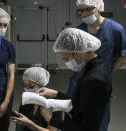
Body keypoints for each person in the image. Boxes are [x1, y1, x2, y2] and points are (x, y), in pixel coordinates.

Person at [12, 28, 112, 131]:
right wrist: (57, 94)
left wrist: (51, 119)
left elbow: (86, 128)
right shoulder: (94, 68)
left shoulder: (94, 80)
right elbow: (82, 102)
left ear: (80, 48)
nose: (66, 63)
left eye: (67, 58)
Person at [67, 0, 126, 130]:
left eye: (88, 9)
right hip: (78, 82)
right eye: (81, 10)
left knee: (99, 124)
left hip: (100, 85)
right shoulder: (78, 31)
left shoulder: (116, 30)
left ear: (99, 8)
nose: (84, 14)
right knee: (74, 123)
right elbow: (72, 56)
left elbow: (123, 57)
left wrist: (105, 72)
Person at [11, 67, 58, 131]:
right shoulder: (27, 101)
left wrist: (29, 124)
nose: (27, 88)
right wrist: (19, 121)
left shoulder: (52, 105)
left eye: (31, 86)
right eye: (25, 85)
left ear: (42, 85)